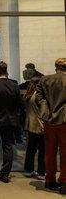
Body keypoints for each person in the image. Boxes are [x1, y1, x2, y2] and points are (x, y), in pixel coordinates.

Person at [35, 58, 66, 193]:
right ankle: (64, 181)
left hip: (49, 121)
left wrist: (45, 113)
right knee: (65, 153)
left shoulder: (45, 80)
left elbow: (39, 98)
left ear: (56, 67)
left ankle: (50, 179)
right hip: (65, 121)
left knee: (50, 152)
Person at [23, 77, 44, 180]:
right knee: (42, 150)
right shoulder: (39, 96)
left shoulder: (27, 95)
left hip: (30, 125)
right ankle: (41, 172)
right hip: (40, 125)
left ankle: (29, 170)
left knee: (30, 149)